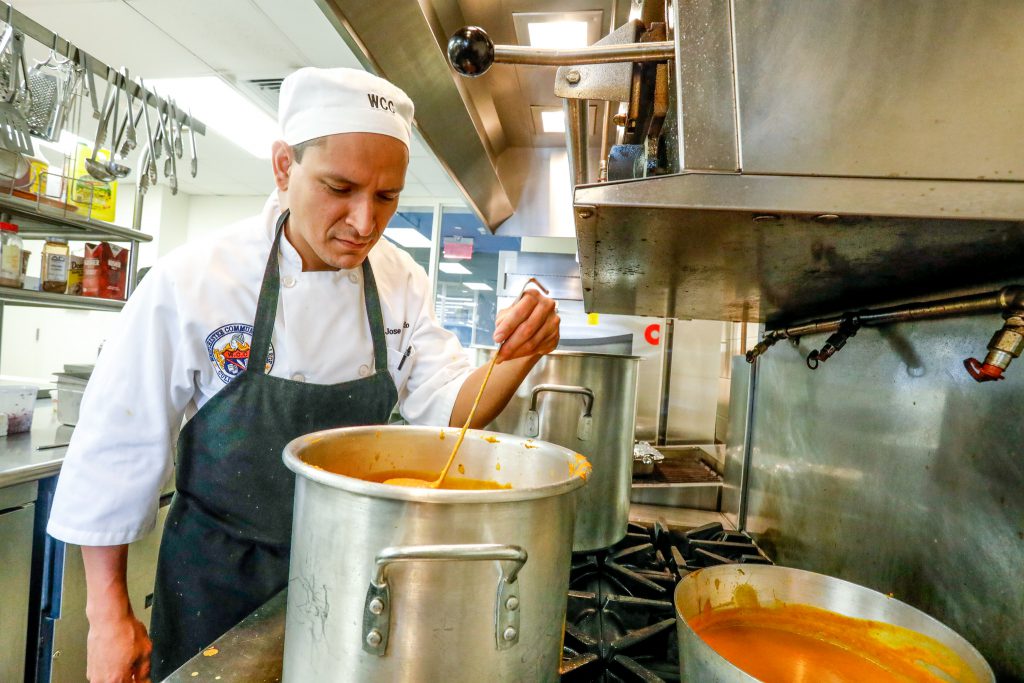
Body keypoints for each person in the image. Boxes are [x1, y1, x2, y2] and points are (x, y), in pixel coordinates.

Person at [46, 67, 560, 682]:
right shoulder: (194, 282)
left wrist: (519, 355)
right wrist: (108, 617)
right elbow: (114, 453)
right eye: (340, 188)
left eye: (388, 196)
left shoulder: (399, 280)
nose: (365, 222)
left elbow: (451, 412)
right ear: (285, 168)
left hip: (354, 578)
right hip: (216, 581)